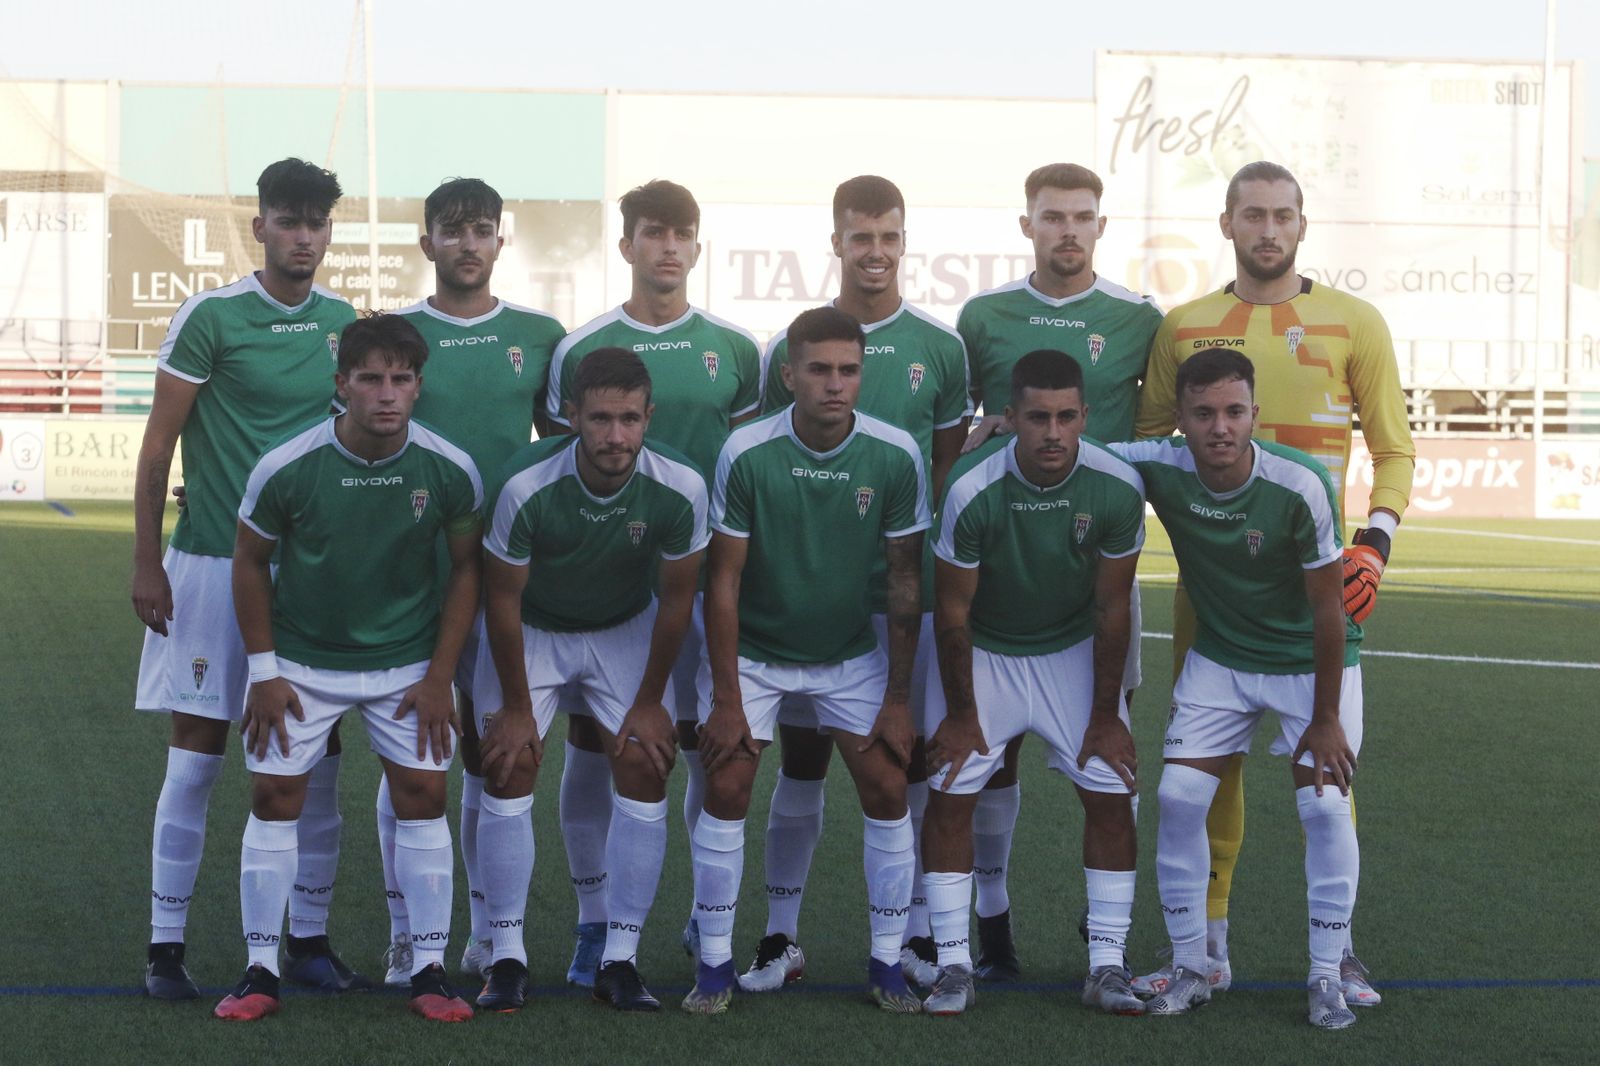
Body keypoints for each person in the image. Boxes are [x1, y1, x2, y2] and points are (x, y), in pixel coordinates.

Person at [1131, 161, 1414, 1006]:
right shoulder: (1184, 325)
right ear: (1226, 225)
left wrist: (1375, 544)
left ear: (1302, 224)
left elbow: (1395, 448)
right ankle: (1206, 948)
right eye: (1251, 214)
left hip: (1314, 589)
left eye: (1282, 215)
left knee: (1328, 773)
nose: (1267, 228)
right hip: (1210, 594)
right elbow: (1148, 448)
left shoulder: (1355, 321)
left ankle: (1341, 951)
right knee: (1202, 778)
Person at [131, 158, 362, 999]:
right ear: (259, 225)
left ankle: (307, 939)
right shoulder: (214, 316)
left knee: (318, 762)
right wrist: (146, 558)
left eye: (317, 222)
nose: (304, 236)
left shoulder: (346, 324)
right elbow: (159, 445)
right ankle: (165, 949)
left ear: (330, 231)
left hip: (304, 577)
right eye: (288, 219)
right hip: (204, 566)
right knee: (195, 759)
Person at [214, 313, 484, 1023]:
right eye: (371, 378)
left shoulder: (449, 468)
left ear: (419, 387)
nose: (386, 394)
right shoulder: (286, 465)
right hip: (301, 663)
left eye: (400, 379)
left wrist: (439, 677)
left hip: (406, 665)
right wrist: (266, 671)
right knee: (274, 798)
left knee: (424, 797)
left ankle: (429, 967)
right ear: (342, 385)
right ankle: (261, 971)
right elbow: (248, 561)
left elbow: (465, 573)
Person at [742, 175, 971, 993]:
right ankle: (779, 936)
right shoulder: (789, 349)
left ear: (905, 243)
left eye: (889, 237)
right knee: (799, 760)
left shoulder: (943, 349)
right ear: (835, 242)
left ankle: (910, 939)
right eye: (859, 237)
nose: (875, 252)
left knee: (898, 763)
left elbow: (945, 480)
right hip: (816, 594)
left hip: (899, 599)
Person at [543, 179, 762, 985]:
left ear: (697, 248)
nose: (668, 247)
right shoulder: (581, 347)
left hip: (709, 579)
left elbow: (750, 460)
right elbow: (562, 454)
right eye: (653, 233)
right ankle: (595, 923)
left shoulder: (738, 350)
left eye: (682, 234)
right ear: (626, 243)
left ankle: (705, 925)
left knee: (712, 746)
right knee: (600, 746)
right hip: (609, 587)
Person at [683, 305, 928, 1015]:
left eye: (848, 370)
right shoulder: (747, 451)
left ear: (863, 374)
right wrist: (727, 697)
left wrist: (900, 699)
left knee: (886, 786)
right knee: (727, 785)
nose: (834, 384)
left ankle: (884, 964)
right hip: (755, 655)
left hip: (848, 655)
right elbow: (722, 580)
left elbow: (906, 580)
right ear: (788, 374)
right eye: (818, 369)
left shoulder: (893, 453)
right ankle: (714, 965)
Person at [1112, 347, 1364, 1030]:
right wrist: (996, 430)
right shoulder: (1158, 464)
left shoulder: (1300, 484)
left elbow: (1327, 611)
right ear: (1182, 422)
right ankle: (1196, 966)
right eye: (1203, 414)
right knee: (1178, 796)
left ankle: (1325, 975)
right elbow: (1075, 451)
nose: (1219, 427)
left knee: (1323, 806)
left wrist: (1326, 718)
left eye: (1233, 411)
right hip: (1221, 659)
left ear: (1255, 414)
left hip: (1306, 663)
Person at [952, 162, 1162, 978]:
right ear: (1027, 225)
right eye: (1052, 216)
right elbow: (968, 427)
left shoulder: (1140, 319)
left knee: (1108, 742)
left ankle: (1100, 928)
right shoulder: (985, 316)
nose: (1067, 230)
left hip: (1098, 565)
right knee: (989, 758)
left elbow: (1151, 434)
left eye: (1082, 216)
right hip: (1003, 562)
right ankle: (993, 919)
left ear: (1101, 227)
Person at [470, 347, 708, 1013]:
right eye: (600, 419)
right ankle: (507, 954)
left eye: (630, 419)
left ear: (648, 417)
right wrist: (517, 707)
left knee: (645, 763)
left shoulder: (681, 486)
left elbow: (678, 599)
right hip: (534, 629)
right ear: (570, 416)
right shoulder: (524, 486)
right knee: (509, 762)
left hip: (624, 627)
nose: (615, 436)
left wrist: (651, 701)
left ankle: (621, 959)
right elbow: (503, 602)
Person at [377, 177, 567, 987]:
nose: (466, 244)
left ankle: (493, 939)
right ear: (426, 243)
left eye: (480, 230)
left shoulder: (543, 334)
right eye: (450, 231)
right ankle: (404, 936)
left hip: (500, 578)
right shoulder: (393, 334)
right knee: (410, 759)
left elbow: (567, 454)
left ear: (499, 241)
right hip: (403, 576)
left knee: (493, 757)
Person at [921, 350, 1146, 1017]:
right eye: (1039, 418)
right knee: (950, 788)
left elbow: (1113, 610)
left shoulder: (1116, 485)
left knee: (1112, 788)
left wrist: (1107, 714)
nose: (1053, 432)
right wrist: (961, 715)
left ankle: (1105, 965)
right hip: (985, 649)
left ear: (1085, 416)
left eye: (1067, 417)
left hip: (1069, 649)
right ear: (1011, 418)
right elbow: (953, 615)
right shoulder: (970, 487)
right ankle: (955, 965)